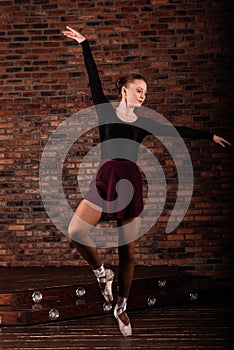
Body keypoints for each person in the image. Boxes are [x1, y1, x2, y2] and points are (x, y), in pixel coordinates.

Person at [63, 26, 231, 337]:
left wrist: (209, 135)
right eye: (139, 89)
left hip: (128, 184)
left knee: (128, 252)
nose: (144, 94)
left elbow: (176, 131)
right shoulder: (104, 110)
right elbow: (93, 78)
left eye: (146, 91)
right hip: (104, 178)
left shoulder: (145, 121)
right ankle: (102, 274)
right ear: (124, 89)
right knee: (76, 231)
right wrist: (85, 44)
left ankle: (121, 307)